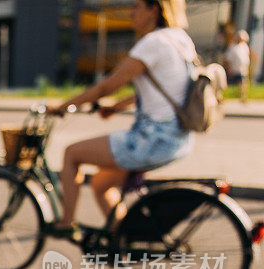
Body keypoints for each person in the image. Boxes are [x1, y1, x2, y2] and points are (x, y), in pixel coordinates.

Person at [48, 0, 195, 238]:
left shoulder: (152, 43)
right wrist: (116, 108)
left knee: (71, 153)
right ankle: (124, 238)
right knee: (100, 184)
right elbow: (164, 89)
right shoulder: (179, 39)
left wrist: (61, 106)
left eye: (137, 7)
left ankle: (66, 223)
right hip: (177, 138)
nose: (130, 13)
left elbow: (106, 86)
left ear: (154, 10)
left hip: (150, 140)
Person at [224, 30, 251, 103]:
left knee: (243, 84)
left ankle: (243, 97)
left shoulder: (244, 46)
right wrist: (229, 69)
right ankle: (222, 96)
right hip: (234, 69)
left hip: (243, 69)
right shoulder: (232, 47)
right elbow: (228, 59)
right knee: (228, 84)